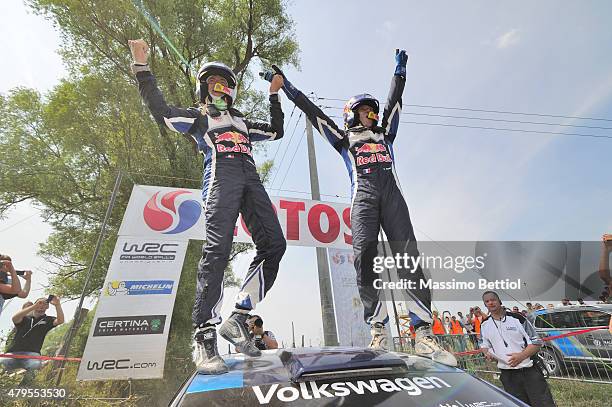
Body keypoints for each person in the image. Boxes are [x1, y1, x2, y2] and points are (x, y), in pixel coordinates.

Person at [264, 50, 456, 366]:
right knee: (364, 259)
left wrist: (400, 72)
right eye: (365, 110)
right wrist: (285, 86)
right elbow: (313, 113)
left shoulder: (386, 135)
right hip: (363, 200)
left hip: (394, 199)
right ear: (352, 114)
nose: (371, 114)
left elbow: (394, 103)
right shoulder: (343, 138)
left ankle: (423, 334)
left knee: (409, 259)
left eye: (372, 110)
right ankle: (378, 328)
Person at [128, 39, 287, 374]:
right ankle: (205, 335)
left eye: (225, 83)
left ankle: (239, 317)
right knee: (218, 249)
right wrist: (142, 68)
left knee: (274, 244)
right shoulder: (197, 117)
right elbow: (161, 112)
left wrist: (274, 95)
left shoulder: (242, 120)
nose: (220, 87)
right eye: (213, 82)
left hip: (250, 178)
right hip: (220, 177)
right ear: (204, 88)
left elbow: (276, 131)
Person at [480, 291, 556, 407]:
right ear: (485, 305)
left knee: (543, 403)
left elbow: (536, 342)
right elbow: (484, 345)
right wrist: (487, 353)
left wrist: (521, 356)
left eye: (493, 299)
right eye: (487, 301)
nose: (490, 303)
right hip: (507, 375)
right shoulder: (485, 325)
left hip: (528, 371)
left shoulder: (517, 318)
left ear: (499, 301)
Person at [1, 297, 65, 374]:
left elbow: (60, 321)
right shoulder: (25, 318)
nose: (42, 305)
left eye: (45, 304)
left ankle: (25, 385)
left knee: (35, 365)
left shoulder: (48, 319)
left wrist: (57, 305)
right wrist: (34, 306)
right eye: (40, 303)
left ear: (47, 307)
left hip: (32, 354)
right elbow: (15, 318)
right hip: (14, 352)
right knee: (2, 363)